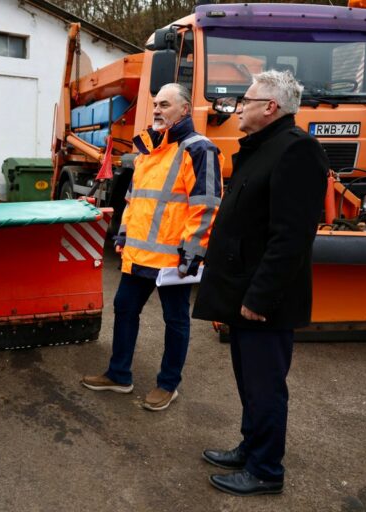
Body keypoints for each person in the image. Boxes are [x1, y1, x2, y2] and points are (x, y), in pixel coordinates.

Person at [193, 70, 328, 496]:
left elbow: (291, 237)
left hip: (264, 299)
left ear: (270, 107)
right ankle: (251, 447)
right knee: (249, 381)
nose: (238, 108)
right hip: (243, 290)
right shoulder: (264, 148)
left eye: (245, 101)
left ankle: (267, 470)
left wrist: (260, 297)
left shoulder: (296, 151)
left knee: (266, 386)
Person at [82, 83, 224, 411]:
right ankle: (119, 375)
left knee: (175, 320)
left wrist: (193, 253)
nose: (157, 110)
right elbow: (135, 201)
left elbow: (206, 206)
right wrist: (124, 235)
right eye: (155, 105)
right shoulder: (147, 150)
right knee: (125, 308)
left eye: (165, 104)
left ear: (185, 110)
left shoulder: (199, 149)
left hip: (173, 261)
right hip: (140, 254)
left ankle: (168, 384)